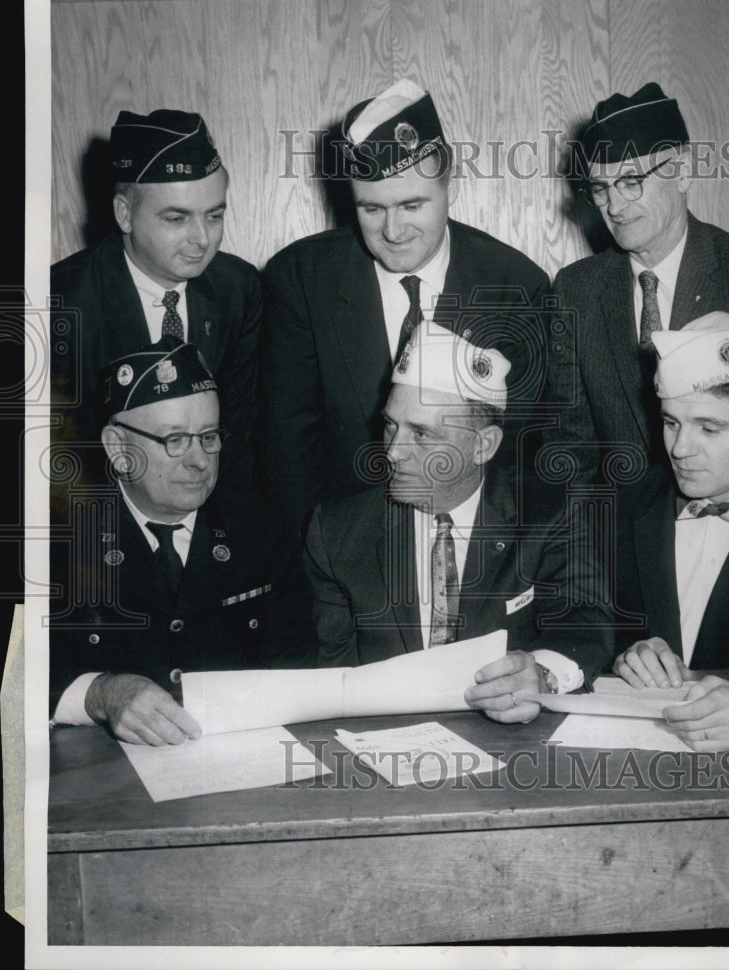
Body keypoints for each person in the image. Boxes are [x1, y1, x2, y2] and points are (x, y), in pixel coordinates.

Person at [260, 79, 550, 530]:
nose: (393, 231)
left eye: (412, 205)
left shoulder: (516, 286)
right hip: (340, 550)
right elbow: (289, 455)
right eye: (371, 209)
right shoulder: (300, 279)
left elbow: (518, 456)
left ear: (450, 184)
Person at [304, 322, 613, 724]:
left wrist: (542, 674)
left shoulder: (548, 514)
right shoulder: (337, 531)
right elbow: (330, 678)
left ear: (482, 445)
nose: (393, 452)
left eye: (422, 434)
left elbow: (587, 621)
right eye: (390, 425)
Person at [49, 338, 316, 746]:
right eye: (175, 440)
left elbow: (297, 669)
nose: (199, 460)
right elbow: (18, 675)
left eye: (208, 437)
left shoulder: (262, 528)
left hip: (241, 756)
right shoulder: (56, 540)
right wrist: (101, 693)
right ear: (118, 448)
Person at [544, 82, 729, 484]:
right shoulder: (575, 290)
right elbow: (571, 451)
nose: (614, 206)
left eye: (631, 181)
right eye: (600, 188)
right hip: (626, 537)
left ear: (681, 171)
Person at [610, 312, 729, 751]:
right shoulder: (627, 504)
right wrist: (626, 658)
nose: (679, 449)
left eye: (709, 428)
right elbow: (589, 628)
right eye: (671, 422)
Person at [51, 109, 261, 488]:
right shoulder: (60, 300)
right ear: (125, 214)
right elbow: (59, 462)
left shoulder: (238, 288)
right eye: (177, 219)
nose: (201, 238)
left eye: (214, 216)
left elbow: (240, 437)